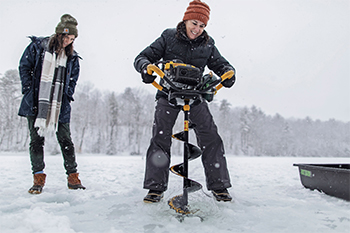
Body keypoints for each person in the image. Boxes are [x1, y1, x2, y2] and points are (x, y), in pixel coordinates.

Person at [134, 0, 236, 203]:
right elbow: (142, 57)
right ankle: (155, 188)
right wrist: (146, 67)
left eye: (202, 25)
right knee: (160, 139)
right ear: (186, 19)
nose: (197, 29)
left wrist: (228, 72)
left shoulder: (208, 44)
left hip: (196, 96)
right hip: (168, 94)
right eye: (194, 23)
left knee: (211, 138)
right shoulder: (168, 37)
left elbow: (221, 64)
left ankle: (220, 186)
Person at [18, 14, 85, 194]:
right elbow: (24, 67)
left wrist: (67, 95)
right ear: (58, 34)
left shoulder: (72, 57)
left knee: (66, 139)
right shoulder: (37, 48)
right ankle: (38, 178)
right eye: (66, 37)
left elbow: (73, 79)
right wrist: (29, 89)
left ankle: (73, 177)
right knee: (36, 140)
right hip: (35, 101)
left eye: (71, 39)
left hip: (59, 105)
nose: (68, 42)